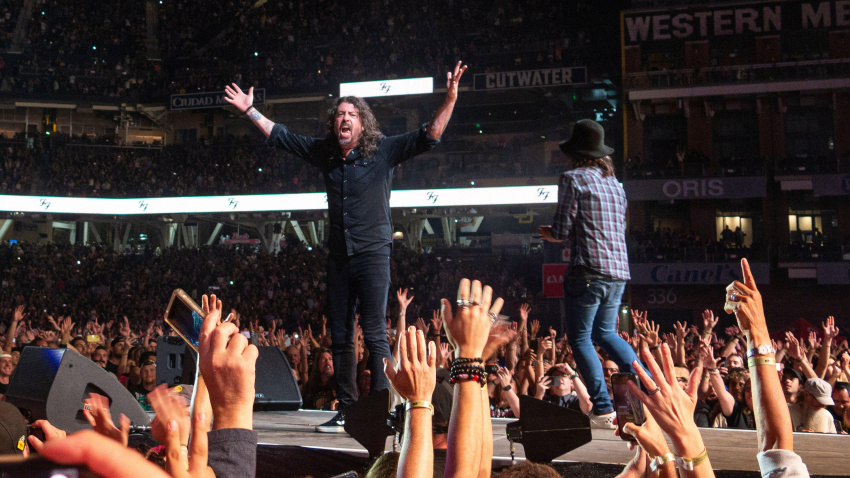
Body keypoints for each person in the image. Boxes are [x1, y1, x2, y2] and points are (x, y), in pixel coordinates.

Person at [224, 61, 468, 433]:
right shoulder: (324, 153)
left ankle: (384, 410)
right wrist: (250, 110)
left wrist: (450, 98)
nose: (344, 118)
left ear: (363, 123)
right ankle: (350, 411)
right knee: (340, 336)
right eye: (339, 114)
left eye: (352, 114)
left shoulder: (383, 150)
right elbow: (282, 136)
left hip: (372, 253)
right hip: (339, 257)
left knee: (373, 332)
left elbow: (430, 134)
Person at [539, 119, 640, 429]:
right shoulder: (616, 185)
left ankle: (604, 407)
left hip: (588, 271)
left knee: (580, 338)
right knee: (606, 333)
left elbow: (563, 229)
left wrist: (548, 234)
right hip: (618, 271)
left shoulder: (572, 179)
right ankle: (648, 383)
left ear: (575, 153)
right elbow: (617, 228)